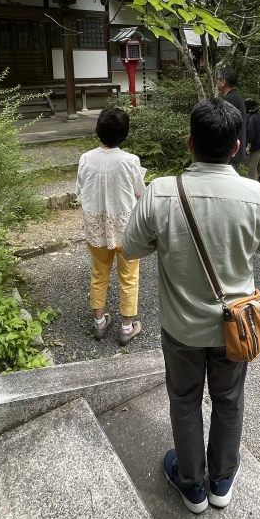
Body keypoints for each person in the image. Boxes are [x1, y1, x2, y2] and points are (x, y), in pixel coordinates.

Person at [122, 98, 260, 514]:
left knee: (184, 399)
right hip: (236, 327)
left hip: (181, 329)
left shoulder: (161, 192)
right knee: (229, 399)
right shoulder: (255, 194)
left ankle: (191, 485)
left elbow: (131, 246)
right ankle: (222, 480)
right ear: (236, 148)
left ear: (190, 143)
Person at [75, 107, 147, 345]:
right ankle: (127, 327)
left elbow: (80, 191)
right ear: (124, 134)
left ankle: (99, 323)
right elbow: (140, 194)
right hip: (126, 229)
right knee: (129, 277)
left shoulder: (86, 158)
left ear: (98, 130)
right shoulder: (131, 161)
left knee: (99, 273)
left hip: (96, 227)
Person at [216, 67, 247, 170]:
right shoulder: (235, 97)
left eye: (218, 79)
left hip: (230, 153)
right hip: (234, 150)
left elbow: (227, 127)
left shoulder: (231, 100)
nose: (216, 82)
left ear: (223, 81)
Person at [244, 98, 260, 184]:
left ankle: (251, 183)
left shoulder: (251, 119)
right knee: (259, 161)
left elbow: (251, 134)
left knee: (252, 164)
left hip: (257, 144)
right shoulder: (258, 115)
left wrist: (248, 147)